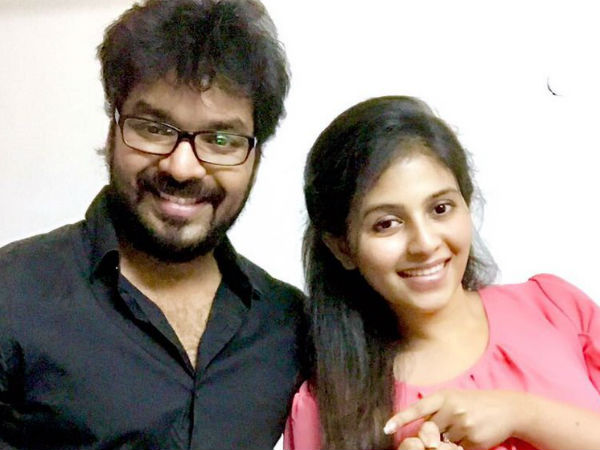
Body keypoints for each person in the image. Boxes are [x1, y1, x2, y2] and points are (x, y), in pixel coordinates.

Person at [0, 1, 306, 449]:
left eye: (221, 139)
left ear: (255, 156)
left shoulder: (288, 323)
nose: (182, 167)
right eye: (154, 128)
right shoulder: (12, 293)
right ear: (113, 128)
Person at [284, 95, 600, 450]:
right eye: (386, 223)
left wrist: (522, 414)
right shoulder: (324, 409)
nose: (424, 243)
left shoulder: (553, 308)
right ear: (342, 247)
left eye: (440, 208)